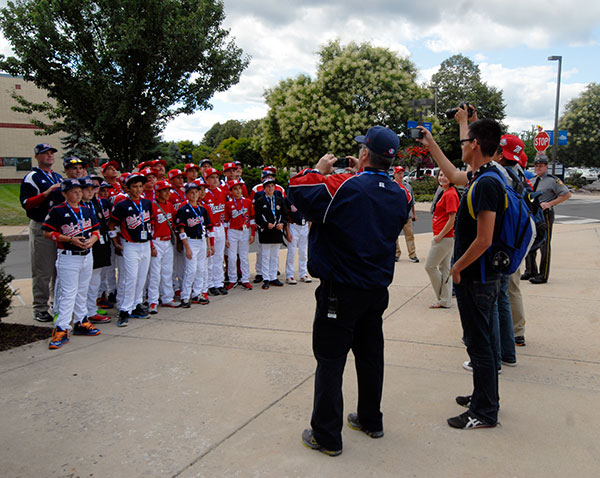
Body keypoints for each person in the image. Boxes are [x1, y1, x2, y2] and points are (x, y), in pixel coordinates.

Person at [289, 125, 407, 456]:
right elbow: (379, 199)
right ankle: (371, 419)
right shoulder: (400, 193)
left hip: (341, 289)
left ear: (365, 154)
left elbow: (297, 189)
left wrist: (317, 170)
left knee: (330, 360)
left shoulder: (343, 186)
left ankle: (327, 435)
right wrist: (362, 175)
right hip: (375, 289)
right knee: (370, 356)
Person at [418, 115, 505, 429]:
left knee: (479, 344)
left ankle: (484, 412)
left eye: (465, 141)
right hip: (479, 277)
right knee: (482, 343)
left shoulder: (487, 183)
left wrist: (456, 267)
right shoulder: (482, 176)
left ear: (476, 145)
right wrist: (432, 146)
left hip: (477, 278)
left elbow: (484, 239)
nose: (463, 146)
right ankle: (484, 397)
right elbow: (453, 173)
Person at [42, 179, 101, 349]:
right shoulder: (58, 210)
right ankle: (61, 327)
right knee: (68, 293)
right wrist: (69, 239)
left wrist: (92, 240)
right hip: (68, 256)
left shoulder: (86, 209)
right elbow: (47, 233)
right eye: (74, 191)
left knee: (83, 290)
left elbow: (96, 229)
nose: (78, 194)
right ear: (64, 193)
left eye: (79, 191)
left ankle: (81, 321)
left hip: (86, 254)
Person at [20, 143, 63, 322]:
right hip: (42, 225)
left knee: (58, 270)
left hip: (59, 228)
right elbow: (26, 203)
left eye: (51, 153)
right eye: (45, 154)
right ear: (37, 156)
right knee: (42, 270)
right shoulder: (32, 177)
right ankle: (40, 307)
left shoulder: (58, 176)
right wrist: (46, 193)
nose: (49, 156)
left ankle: (57, 304)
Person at [109, 173, 153, 326]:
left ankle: (136, 305)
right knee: (130, 277)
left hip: (145, 244)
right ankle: (124, 309)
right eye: (134, 186)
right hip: (129, 244)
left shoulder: (147, 203)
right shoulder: (122, 205)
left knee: (142, 277)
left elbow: (150, 224)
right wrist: (116, 242)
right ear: (127, 188)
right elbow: (112, 224)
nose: (138, 189)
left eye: (140, 186)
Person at [522, 154, 571, 284]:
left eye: (541, 166)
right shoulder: (531, 180)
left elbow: (566, 194)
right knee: (530, 241)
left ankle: (542, 275)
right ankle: (530, 270)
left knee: (544, 244)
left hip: (545, 214)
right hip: (533, 214)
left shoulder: (552, 181)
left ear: (546, 167)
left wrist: (550, 203)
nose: (538, 168)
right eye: (536, 166)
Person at [425, 171, 459, 309]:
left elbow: (452, 219)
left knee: (430, 266)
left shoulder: (450, 194)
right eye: (440, 175)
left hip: (444, 237)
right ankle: (445, 299)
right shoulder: (446, 192)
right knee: (444, 268)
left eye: (445, 175)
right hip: (445, 237)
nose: (442, 177)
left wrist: (439, 236)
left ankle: (443, 297)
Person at [176, 182, 213, 307]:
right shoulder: (183, 210)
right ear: (186, 194)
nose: (194, 194)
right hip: (190, 241)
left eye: (196, 192)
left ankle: (197, 293)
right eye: (191, 192)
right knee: (191, 270)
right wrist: (186, 247)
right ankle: (185, 296)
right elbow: (181, 230)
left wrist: (208, 245)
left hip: (201, 240)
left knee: (201, 269)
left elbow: (206, 229)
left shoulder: (202, 209)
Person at [148, 180, 181, 313]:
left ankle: (167, 297)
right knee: (155, 273)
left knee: (167, 271)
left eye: (168, 190)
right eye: (164, 191)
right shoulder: (152, 206)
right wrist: (151, 246)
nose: (167, 193)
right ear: (158, 192)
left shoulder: (170, 206)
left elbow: (174, 224)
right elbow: (149, 228)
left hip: (168, 242)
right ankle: (153, 301)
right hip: (156, 241)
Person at [254, 177, 288, 290]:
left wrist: (282, 224)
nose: (270, 188)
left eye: (272, 186)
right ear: (264, 188)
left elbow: (285, 215)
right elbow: (258, 217)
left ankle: (273, 277)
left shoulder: (279, 200)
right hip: (266, 231)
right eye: (268, 186)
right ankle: (266, 278)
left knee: (274, 256)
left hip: (277, 230)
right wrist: (265, 224)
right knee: (265, 256)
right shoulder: (260, 201)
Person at [224, 179, 255, 290]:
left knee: (244, 256)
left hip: (245, 231)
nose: (238, 191)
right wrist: (226, 237)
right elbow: (226, 222)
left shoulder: (247, 201)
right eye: (235, 189)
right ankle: (232, 279)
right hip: (233, 231)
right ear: (231, 191)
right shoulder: (228, 204)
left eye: (239, 188)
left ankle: (245, 279)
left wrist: (252, 234)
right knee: (232, 257)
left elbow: (251, 218)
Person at [203, 167, 229, 296]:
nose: (215, 180)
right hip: (210, 228)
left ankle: (219, 282)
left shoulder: (222, 191)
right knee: (210, 258)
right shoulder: (203, 193)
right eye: (212, 177)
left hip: (220, 226)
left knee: (219, 257)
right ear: (206, 179)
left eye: (216, 177)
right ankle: (210, 284)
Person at [393, 166, 419, 263]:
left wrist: (414, 214)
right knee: (394, 236)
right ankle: (396, 253)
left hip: (407, 215)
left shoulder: (407, 186)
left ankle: (412, 254)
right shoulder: (392, 185)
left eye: (402, 173)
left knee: (410, 235)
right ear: (395, 174)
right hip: (395, 216)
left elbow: (412, 202)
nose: (400, 175)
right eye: (398, 173)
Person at [284, 195, 311, 284]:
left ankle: (303, 273)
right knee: (292, 251)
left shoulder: (305, 197)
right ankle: (289, 275)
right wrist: (287, 232)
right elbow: (286, 216)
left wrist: (310, 229)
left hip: (304, 226)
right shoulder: (288, 199)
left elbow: (310, 214)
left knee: (303, 252)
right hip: (293, 226)